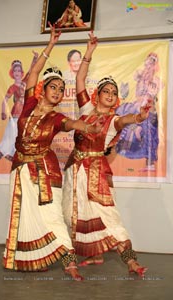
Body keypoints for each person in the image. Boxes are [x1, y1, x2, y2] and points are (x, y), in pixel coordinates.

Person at [2, 24, 100, 281]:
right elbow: (33, 73)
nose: (57, 92)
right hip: (20, 167)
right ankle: (31, 260)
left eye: (60, 89)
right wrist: (51, 44)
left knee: (53, 217)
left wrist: (81, 124)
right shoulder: (30, 103)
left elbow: (69, 124)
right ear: (43, 89)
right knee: (25, 215)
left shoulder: (57, 117)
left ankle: (69, 263)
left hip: (45, 171)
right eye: (53, 87)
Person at [62, 31, 150, 277]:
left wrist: (140, 117)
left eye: (113, 93)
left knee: (109, 217)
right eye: (106, 91)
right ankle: (95, 254)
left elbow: (126, 120)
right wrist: (89, 51)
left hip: (96, 173)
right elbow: (80, 80)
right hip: (73, 169)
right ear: (97, 94)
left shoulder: (113, 120)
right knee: (73, 213)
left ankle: (131, 262)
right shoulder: (87, 109)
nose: (110, 95)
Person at [0, 52, 38, 168]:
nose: (17, 73)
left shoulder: (24, 83)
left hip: (23, 115)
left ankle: (12, 160)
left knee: (18, 138)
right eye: (15, 71)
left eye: (19, 71)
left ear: (21, 73)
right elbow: (4, 100)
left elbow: (31, 71)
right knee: (10, 138)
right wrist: (3, 111)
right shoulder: (12, 87)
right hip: (15, 116)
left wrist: (35, 58)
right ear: (12, 73)